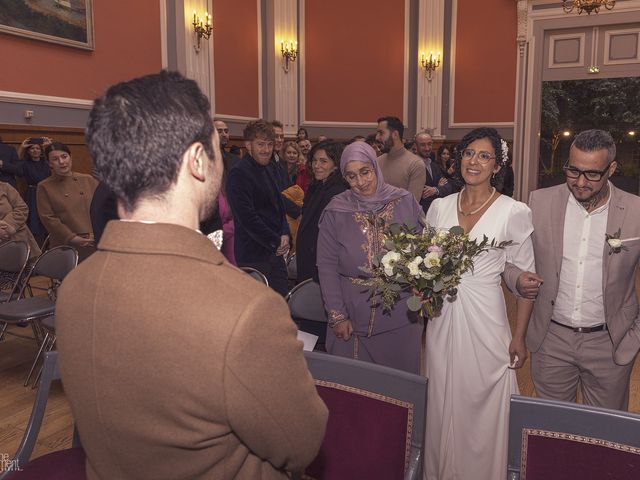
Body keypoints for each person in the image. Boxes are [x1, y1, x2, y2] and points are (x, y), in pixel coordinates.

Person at [56, 71, 327, 480]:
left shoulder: (74, 284)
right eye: (219, 149)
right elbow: (302, 443)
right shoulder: (246, 309)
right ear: (198, 161)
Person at [424, 127, 535, 480]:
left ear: (497, 164)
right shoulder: (439, 207)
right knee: (442, 399)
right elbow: (425, 265)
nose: (475, 161)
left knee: (483, 401)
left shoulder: (513, 211)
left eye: (485, 155)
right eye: (469, 153)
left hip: (487, 320)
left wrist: (519, 337)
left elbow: (526, 282)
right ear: (459, 159)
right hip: (441, 320)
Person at [516, 129, 640, 411]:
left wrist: (634, 338)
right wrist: (517, 279)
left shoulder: (636, 211)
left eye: (592, 174)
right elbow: (511, 260)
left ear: (612, 169)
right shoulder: (539, 202)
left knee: (605, 430)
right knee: (551, 427)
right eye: (573, 171)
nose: (581, 182)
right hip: (551, 341)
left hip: (610, 344)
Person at [316, 142, 424, 374]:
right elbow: (326, 267)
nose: (360, 182)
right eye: (351, 176)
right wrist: (337, 315)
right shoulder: (336, 210)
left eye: (365, 172)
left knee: (399, 392)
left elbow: (423, 251)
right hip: (352, 318)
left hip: (401, 317)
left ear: (375, 167)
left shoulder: (404, 202)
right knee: (356, 394)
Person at [227, 120, 291, 296]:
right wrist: (275, 240)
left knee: (281, 305)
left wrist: (285, 232)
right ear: (248, 145)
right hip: (253, 253)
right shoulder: (239, 173)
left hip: (274, 252)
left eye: (270, 144)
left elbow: (279, 205)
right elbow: (247, 218)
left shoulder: (270, 167)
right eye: (261, 144)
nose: (266, 149)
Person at [296, 141, 347, 282]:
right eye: (314, 160)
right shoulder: (317, 186)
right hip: (309, 258)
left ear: (336, 164)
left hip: (322, 265)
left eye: (323, 161)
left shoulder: (338, 193)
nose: (316, 166)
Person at [37, 142, 98, 258]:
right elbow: (48, 218)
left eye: (64, 156)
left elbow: (102, 207)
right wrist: (71, 237)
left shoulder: (88, 179)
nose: (61, 162)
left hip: (93, 240)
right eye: (55, 159)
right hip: (66, 244)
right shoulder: (44, 186)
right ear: (49, 164)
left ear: (71, 157)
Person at [375, 116, 426, 202]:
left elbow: (411, 204)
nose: (377, 137)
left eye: (381, 133)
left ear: (395, 134)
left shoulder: (415, 164)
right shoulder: (377, 161)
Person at [17, 137, 51, 243]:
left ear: (41, 150)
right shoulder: (25, 164)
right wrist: (21, 148)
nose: (35, 150)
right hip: (32, 194)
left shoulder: (46, 163)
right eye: (32, 148)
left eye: (38, 148)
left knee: (47, 220)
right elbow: (16, 167)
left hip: (45, 193)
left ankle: (47, 246)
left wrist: (49, 146)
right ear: (28, 151)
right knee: (33, 221)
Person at [0, 181, 41, 259]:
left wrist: (7, 226)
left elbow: (22, 208)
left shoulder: (5, 187)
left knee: (32, 269)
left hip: (21, 240)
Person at [415, 131, 454, 212]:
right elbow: (420, 194)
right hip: (419, 214)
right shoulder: (412, 165)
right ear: (416, 146)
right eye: (422, 145)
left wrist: (436, 189)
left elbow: (449, 187)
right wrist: (439, 187)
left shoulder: (433, 165)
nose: (427, 148)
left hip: (436, 212)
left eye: (429, 144)